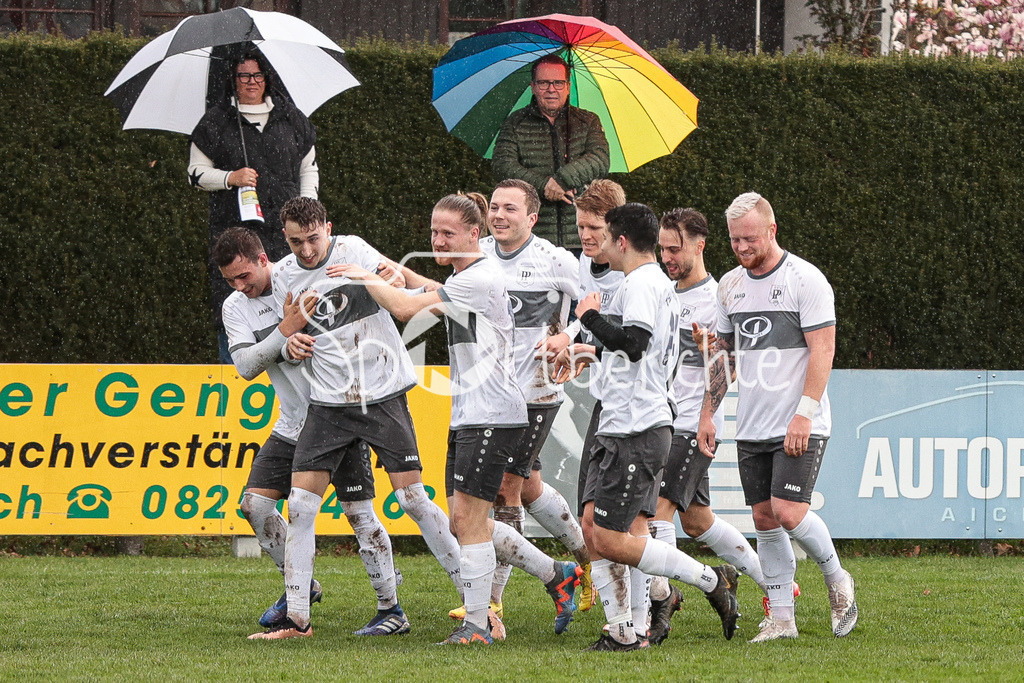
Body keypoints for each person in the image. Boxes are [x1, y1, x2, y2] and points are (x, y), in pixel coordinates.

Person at [331, 192, 581, 645]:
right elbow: (426, 289)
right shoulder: (467, 276)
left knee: (470, 521)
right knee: (465, 522)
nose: (438, 240)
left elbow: (406, 308)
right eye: (433, 232)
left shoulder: (480, 277)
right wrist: (395, 272)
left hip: (493, 414)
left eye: (448, 233)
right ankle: (555, 574)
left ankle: (479, 624)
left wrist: (365, 275)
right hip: (470, 414)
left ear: (473, 235)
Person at [249, 198, 462, 640]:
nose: (307, 250)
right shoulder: (284, 274)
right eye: (296, 242)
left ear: (328, 228)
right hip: (328, 404)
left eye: (313, 239)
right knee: (300, 505)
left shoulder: (355, 249)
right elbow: (290, 332)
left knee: (413, 500)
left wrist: (394, 278)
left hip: (382, 394)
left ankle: (477, 602)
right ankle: (298, 620)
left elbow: (401, 286)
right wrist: (291, 344)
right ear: (285, 238)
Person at [559, 203, 740, 652]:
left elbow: (636, 344)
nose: (598, 244)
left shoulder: (640, 283)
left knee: (609, 538)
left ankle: (709, 580)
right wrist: (588, 352)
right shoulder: (652, 283)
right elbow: (635, 352)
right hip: (628, 422)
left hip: (636, 426)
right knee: (609, 527)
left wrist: (588, 317)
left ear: (621, 241)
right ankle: (629, 630)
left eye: (604, 236)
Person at [212, 226, 399, 636]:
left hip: (335, 415)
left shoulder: (295, 278)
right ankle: (300, 585)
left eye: (244, 276)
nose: (239, 286)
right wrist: (285, 334)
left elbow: (340, 332)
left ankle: (390, 606)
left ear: (263, 259)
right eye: (230, 280)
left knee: (359, 513)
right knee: (254, 506)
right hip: (293, 423)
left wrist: (388, 276)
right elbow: (245, 366)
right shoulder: (235, 307)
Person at [696, 192, 858, 643]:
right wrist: (708, 413)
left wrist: (804, 414)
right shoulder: (730, 286)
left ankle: (837, 579)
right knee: (764, 518)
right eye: (734, 240)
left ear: (772, 230)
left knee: (789, 512)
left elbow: (823, 349)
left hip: (799, 421)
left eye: (750, 238)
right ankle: (782, 619)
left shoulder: (805, 279)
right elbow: (724, 357)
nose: (742, 247)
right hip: (752, 423)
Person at [444, 179, 591, 623]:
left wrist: (569, 336)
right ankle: (588, 559)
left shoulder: (556, 259)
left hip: (536, 392)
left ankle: (492, 601)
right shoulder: (477, 254)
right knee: (528, 489)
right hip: (490, 395)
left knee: (503, 491)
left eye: (510, 208)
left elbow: (596, 305)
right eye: (495, 207)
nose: (499, 215)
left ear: (532, 218)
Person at [644, 208, 770, 645]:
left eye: (674, 249)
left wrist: (706, 413)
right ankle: (772, 583)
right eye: (662, 249)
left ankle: (660, 602)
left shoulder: (716, 299)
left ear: (700, 246)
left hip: (690, 424)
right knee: (697, 521)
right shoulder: (662, 293)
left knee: (655, 512)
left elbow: (727, 365)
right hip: (660, 418)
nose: (666, 257)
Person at [189, 50, 318, 362]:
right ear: (232, 80)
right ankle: (239, 370)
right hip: (236, 234)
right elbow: (195, 173)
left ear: (267, 78)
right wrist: (230, 177)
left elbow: (309, 169)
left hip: (287, 234)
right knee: (238, 301)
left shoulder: (292, 118)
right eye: (243, 75)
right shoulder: (215, 122)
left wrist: (307, 213)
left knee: (294, 298)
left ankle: (301, 365)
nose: (251, 81)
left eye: (257, 75)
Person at [543, 178, 627, 612]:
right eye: (580, 226)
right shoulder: (582, 264)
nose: (586, 235)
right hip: (604, 403)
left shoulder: (635, 275)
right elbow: (587, 322)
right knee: (590, 518)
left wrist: (581, 346)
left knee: (638, 523)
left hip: (641, 410)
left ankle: (648, 603)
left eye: (594, 227)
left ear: (617, 228)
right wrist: (575, 346)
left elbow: (635, 346)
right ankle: (624, 605)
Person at [492, 54, 610, 250]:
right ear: (533, 86)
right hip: (532, 237)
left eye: (558, 83)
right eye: (543, 83)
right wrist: (544, 186)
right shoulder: (515, 123)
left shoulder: (588, 121)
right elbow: (502, 165)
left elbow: (600, 159)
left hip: (580, 236)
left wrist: (563, 180)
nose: (551, 89)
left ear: (568, 86)